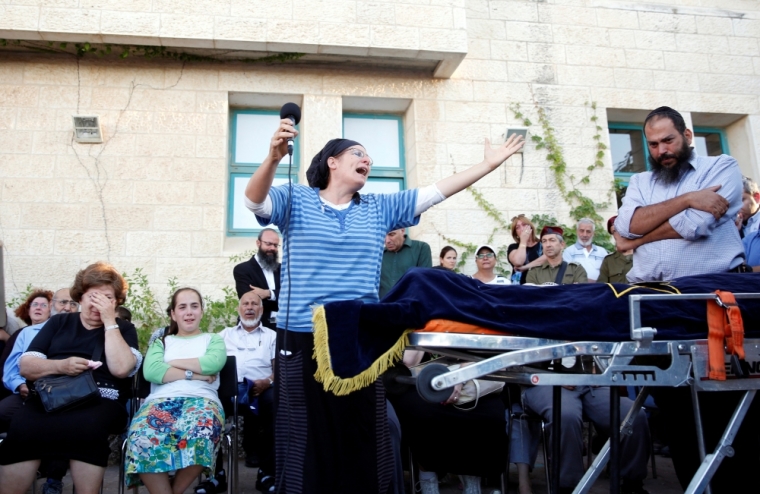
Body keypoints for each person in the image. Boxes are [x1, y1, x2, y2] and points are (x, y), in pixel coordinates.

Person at [243, 116, 523, 493]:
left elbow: (437, 191)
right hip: (301, 334)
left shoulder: (378, 207)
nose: (368, 160)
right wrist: (273, 158)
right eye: (358, 153)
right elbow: (253, 200)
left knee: (362, 432)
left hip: (359, 337)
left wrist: (488, 165)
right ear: (332, 162)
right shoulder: (297, 198)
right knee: (304, 434)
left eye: (370, 157)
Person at [614, 106, 754, 492]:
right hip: (656, 308)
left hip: (710, 303)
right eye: (654, 144)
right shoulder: (641, 180)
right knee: (677, 417)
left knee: (725, 417)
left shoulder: (721, 166)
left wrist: (636, 239)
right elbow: (625, 223)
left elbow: (696, 227)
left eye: (668, 140)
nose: (661, 150)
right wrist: (687, 199)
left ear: (687, 136)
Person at [0, 262, 141, 494]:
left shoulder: (123, 329)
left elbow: (121, 369)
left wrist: (109, 322)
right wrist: (61, 365)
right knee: (23, 425)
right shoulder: (59, 322)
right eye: (93, 296)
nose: (98, 303)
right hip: (52, 396)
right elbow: (26, 365)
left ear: (115, 302)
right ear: (81, 298)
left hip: (101, 399)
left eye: (107, 298)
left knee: (87, 426)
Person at [124, 287, 227, 493]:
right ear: (173, 314)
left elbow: (212, 364)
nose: (189, 312)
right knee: (140, 436)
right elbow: (152, 371)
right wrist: (195, 374)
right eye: (182, 307)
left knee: (203, 434)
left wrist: (170, 362)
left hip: (202, 400)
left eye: (194, 306)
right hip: (160, 400)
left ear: (201, 311)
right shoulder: (161, 342)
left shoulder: (213, 340)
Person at [389, 349, 506, 494]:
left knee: (488, 415)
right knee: (418, 412)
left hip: (472, 379)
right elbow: (408, 362)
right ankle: (428, 482)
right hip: (423, 383)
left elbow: (485, 355)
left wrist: (458, 378)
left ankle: (471, 481)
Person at [0, 288, 76, 494]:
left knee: (60, 422)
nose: (67, 308)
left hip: (64, 396)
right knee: (5, 412)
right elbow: (10, 369)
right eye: (62, 303)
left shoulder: (78, 332)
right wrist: (20, 385)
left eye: (72, 304)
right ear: (53, 307)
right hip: (28, 392)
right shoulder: (26, 333)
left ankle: (53, 478)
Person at [219, 291, 276, 490]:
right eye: (245, 304)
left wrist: (268, 381)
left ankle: (267, 471)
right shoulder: (224, 335)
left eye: (254, 304)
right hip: (230, 388)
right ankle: (216, 475)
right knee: (209, 405)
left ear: (261, 309)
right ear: (239, 308)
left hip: (263, 386)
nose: (250, 307)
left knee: (278, 403)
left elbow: (280, 370)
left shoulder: (272, 336)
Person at [233, 228, 282, 329]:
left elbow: (291, 296)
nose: (272, 248)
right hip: (253, 327)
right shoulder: (242, 269)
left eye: (275, 245)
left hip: (281, 328)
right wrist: (278, 297)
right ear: (258, 243)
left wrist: (268, 294)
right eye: (268, 244)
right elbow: (250, 301)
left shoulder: (283, 269)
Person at [380, 228, 432, 298]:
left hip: (409, 306)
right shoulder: (379, 254)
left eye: (391, 235)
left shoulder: (421, 248)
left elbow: (425, 283)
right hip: (383, 306)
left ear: (402, 230)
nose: (387, 241)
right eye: (383, 236)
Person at [507, 215, 546, 284]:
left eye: (524, 225)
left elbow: (547, 257)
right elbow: (518, 262)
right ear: (516, 234)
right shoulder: (513, 247)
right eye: (517, 227)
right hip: (521, 288)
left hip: (540, 285)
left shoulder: (542, 244)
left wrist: (526, 267)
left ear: (531, 227)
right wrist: (523, 241)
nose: (522, 229)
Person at [597, 216, 633, 284]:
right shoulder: (609, 261)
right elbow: (601, 286)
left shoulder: (642, 255)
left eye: (618, 229)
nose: (616, 234)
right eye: (613, 232)